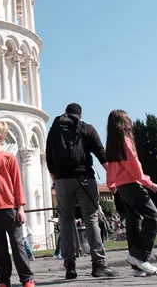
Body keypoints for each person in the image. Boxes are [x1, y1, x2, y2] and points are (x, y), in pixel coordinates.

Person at [45, 103, 118, 280]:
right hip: (85, 178)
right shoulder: (86, 128)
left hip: (62, 180)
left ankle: (70, 266)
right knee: (91, 218)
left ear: (65, 113)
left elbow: (48, 158)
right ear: (79, 114)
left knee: (66, 221)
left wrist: (57, 181)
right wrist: (113, 180)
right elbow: (102, 154)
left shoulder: (54, 130)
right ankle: (99, 265)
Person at [0, 120, 35, 287]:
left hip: (10, 209)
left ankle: (27, 279)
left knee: (18, 246)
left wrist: (21, 207)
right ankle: (3, 280)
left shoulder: (9, 158)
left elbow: (17, 183)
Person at [106, 109, 157, 276]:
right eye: (127, 119)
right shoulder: (125, 140)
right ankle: (140, 257)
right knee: (154, 217)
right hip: (132, 184)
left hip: (122, 187)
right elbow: (134, 164)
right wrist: (148, 182)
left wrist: (111, 184)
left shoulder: (112, 143)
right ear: (123, 123)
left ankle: (137, 266)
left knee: (134, 222)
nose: (130, 122)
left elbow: (111, 168)